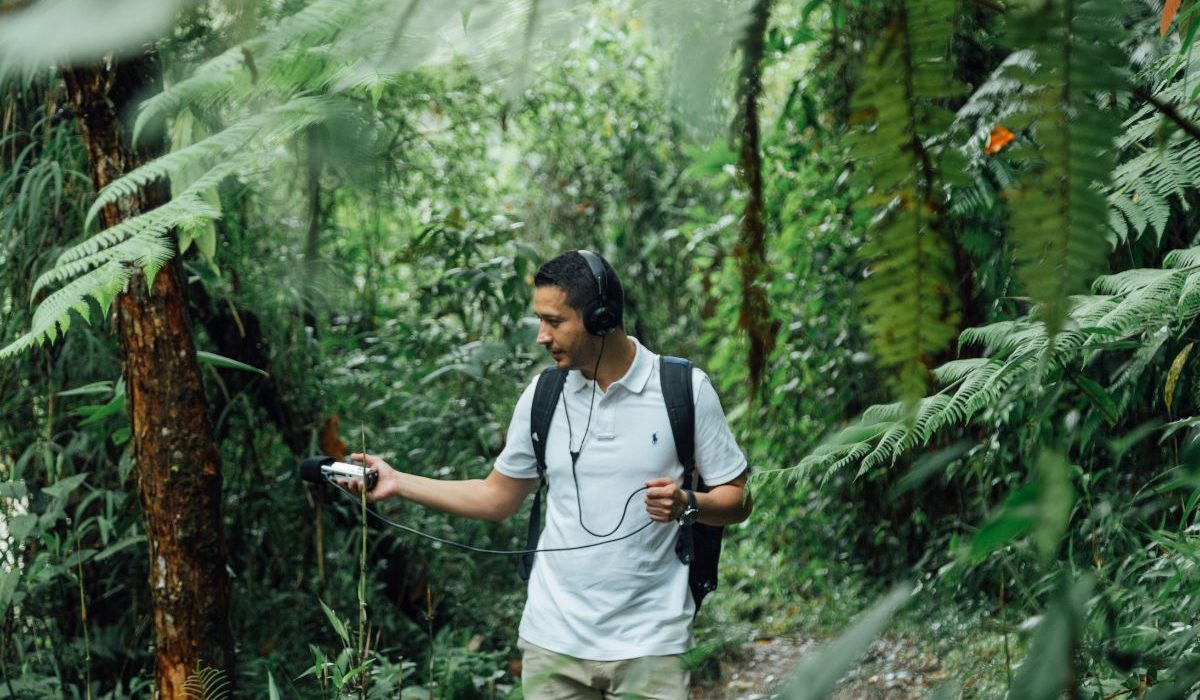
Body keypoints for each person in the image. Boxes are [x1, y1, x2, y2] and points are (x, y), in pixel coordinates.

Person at [345, 250, 751, 700]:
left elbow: (738, 498)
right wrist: (399, 480)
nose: (542, 336)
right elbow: (495, 497)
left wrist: (688, 504)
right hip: (551, 645)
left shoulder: (683, 390)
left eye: (554, 321)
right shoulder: (543, 394)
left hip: (651, 646)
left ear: (601, 318)